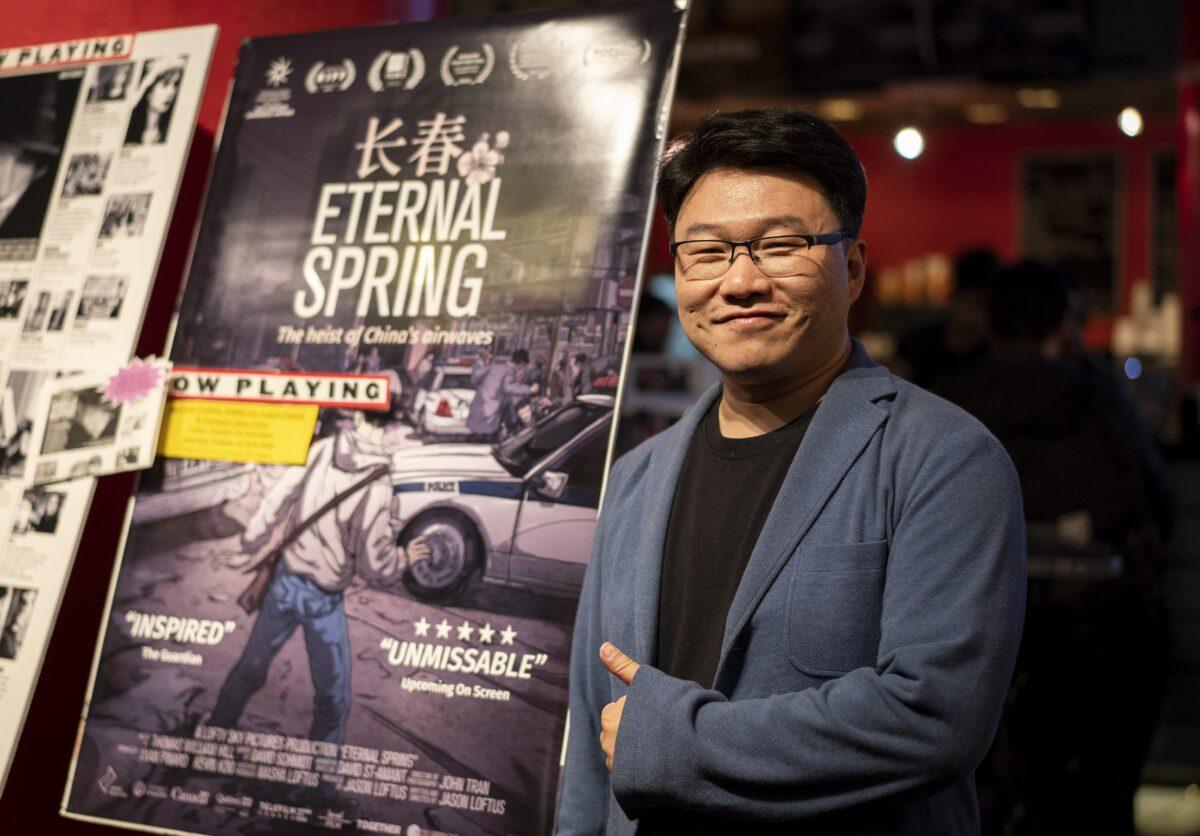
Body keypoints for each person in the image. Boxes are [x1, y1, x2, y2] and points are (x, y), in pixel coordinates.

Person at [556, 108, 1026, 835]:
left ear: (855, 267)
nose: (740, 282)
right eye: (706, 252)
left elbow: (934, 715)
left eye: (781, 245)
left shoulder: (944, 458)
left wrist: (673, 741)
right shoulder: (637, 477)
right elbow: (591, 742)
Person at [931, 261, 1173, 835]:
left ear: (989, 324)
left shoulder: (943, 403)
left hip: (972, 641)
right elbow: (1157, 508)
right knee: (1099, 799)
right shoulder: (1098, 401)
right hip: (1098, 634)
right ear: (1065, 324)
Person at [211, 401, 430, 745]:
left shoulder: (323, 449)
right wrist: (405, 557)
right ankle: (320, 787)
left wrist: (251, 543)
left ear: (358, 416)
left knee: (251, 668)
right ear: (392, 431)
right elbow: (375, 565)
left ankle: (213, 733)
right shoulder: (379, 484)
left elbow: (278, 498)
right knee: (332, 699)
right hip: (323, 600)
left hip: (286, 580)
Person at [466, 348, 538, 442]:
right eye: (523, 367)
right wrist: (530, 389)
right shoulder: (508, 371)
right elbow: (509, 387)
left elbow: (475, 376)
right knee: (490, 443)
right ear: (521, 364)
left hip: (479, 412)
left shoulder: (495, 367)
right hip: (489, 416)